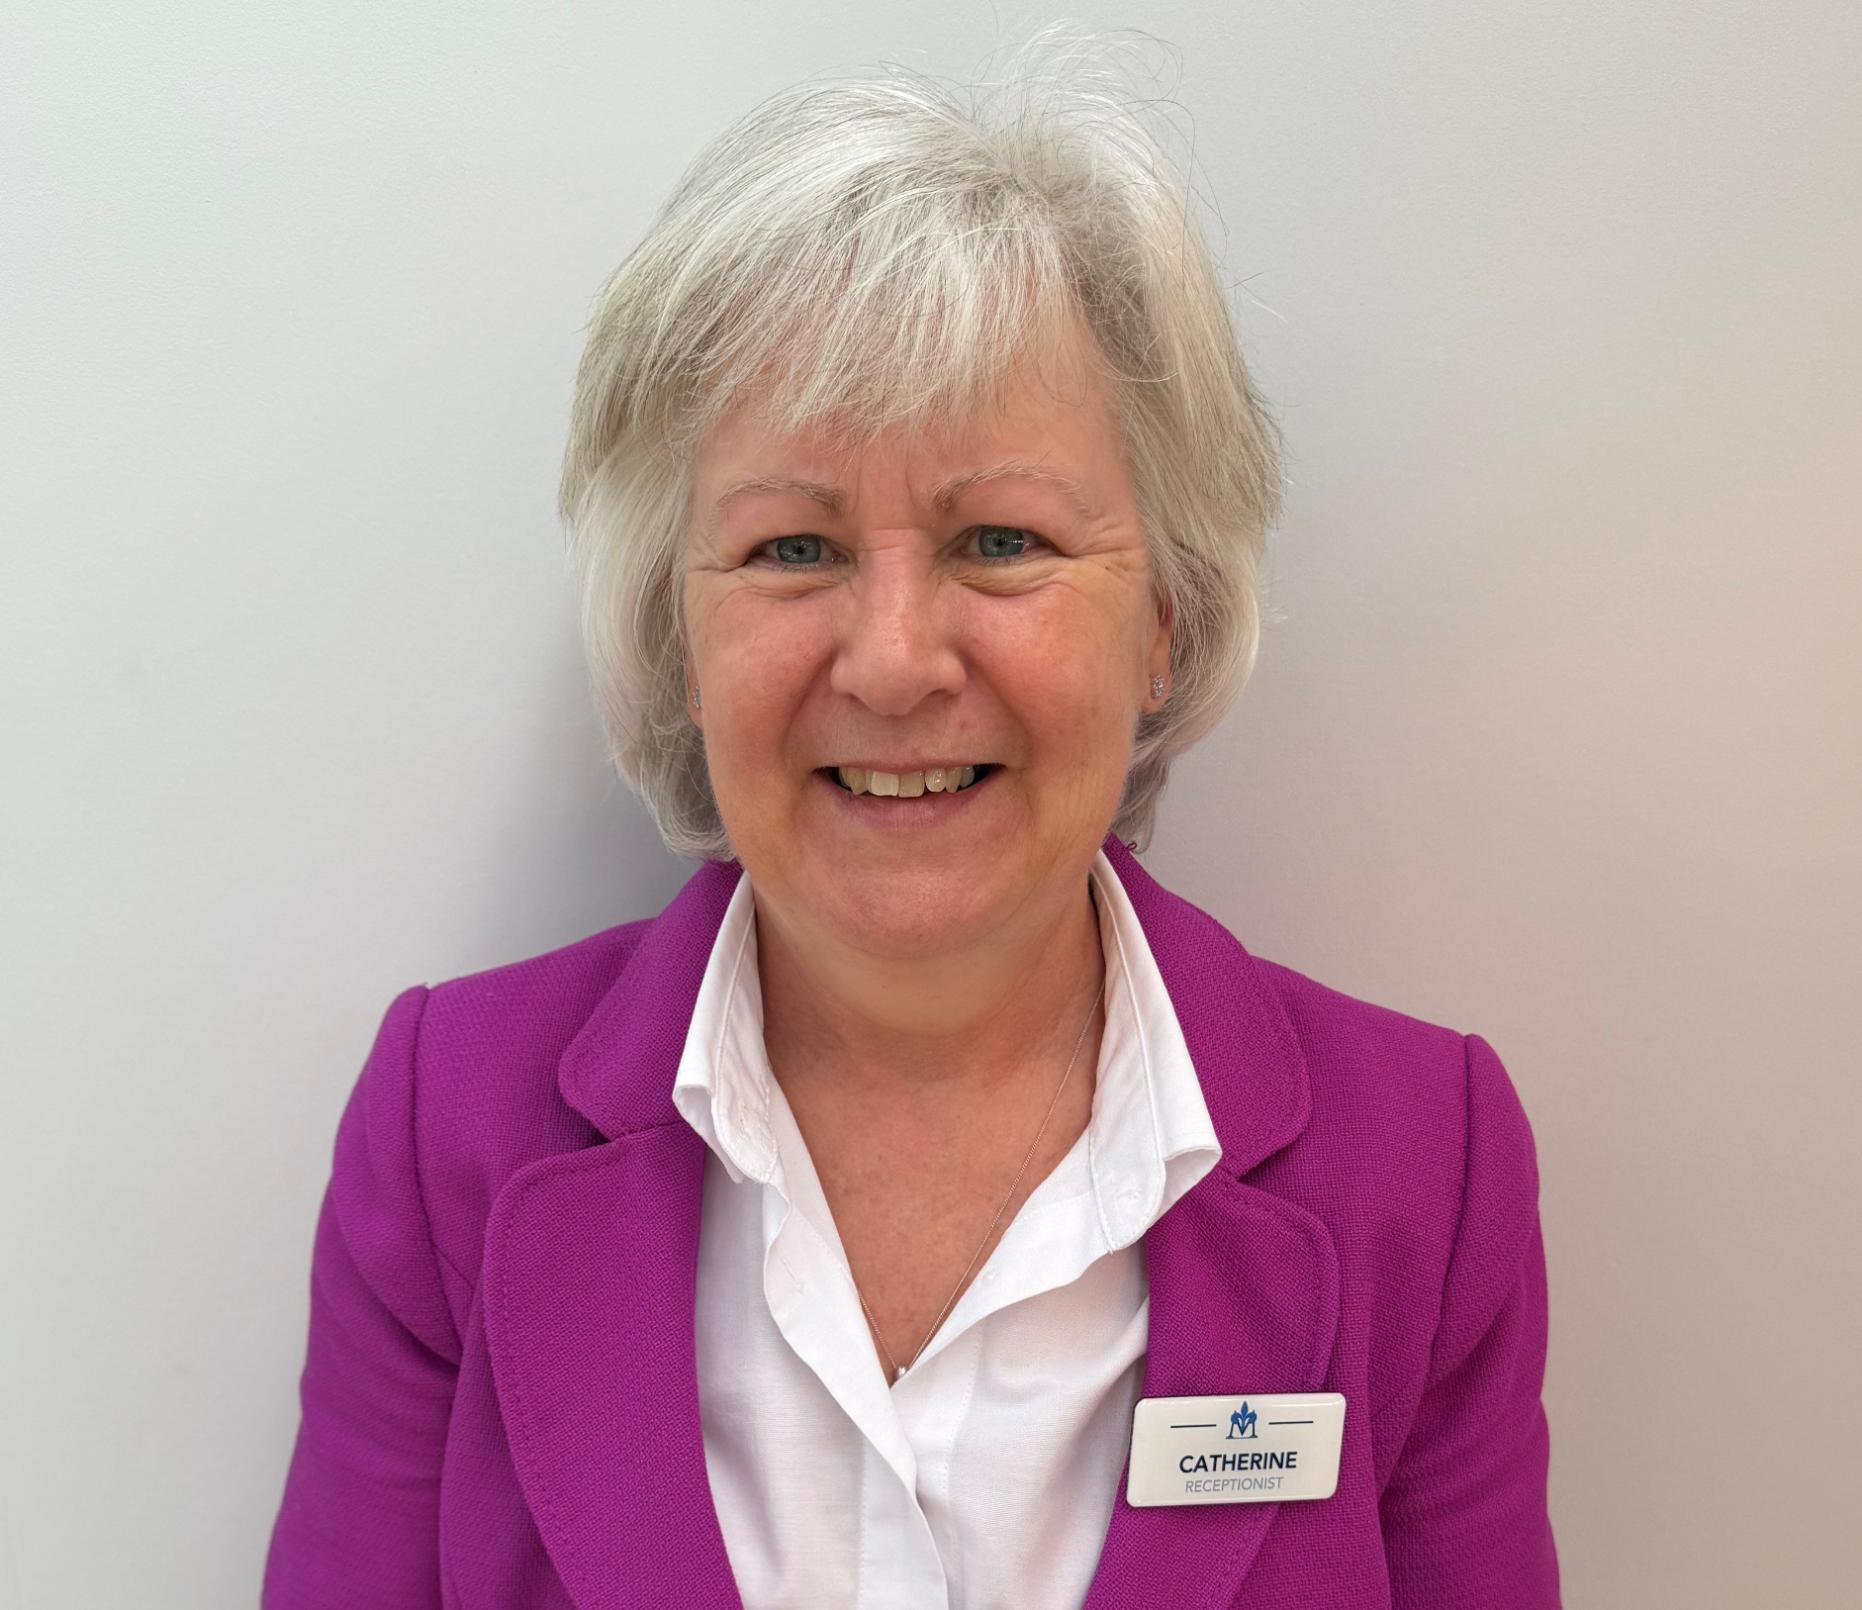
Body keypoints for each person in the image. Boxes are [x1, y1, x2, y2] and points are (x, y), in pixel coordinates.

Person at [264, 31, 1558, 1610]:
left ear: (1163, 611)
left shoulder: (1422, 1164)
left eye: (999, 538)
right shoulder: (446, 1132)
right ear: (677, 635)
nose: (890, 661)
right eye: (792, 549)